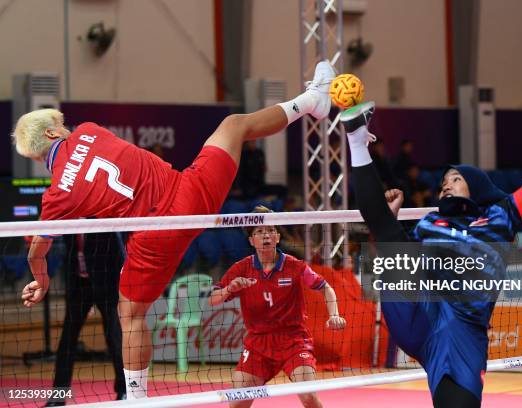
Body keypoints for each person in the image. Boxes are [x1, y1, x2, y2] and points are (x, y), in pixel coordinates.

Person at [13, 60, 336, 400]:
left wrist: (42, 279)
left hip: (152, 236)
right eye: (61, 126)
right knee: (234, 126)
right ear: (52, 133)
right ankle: (312, 100)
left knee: (131, 314)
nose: (67, 128)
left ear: (36, 156)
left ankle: (136, 401)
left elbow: (38, 248)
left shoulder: (55, 196)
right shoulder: (90, 129)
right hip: (189, 195)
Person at [339, 82, 522, 408]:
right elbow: (400, 259)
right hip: (421, 311)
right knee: (387, 232)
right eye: (443, 183)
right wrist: (388, 225)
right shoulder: (430, 222)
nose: (445, 186)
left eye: (454, 180)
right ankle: (357, 139)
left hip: (464, 329)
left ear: (474, 185)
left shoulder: (501, 217)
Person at [209, 206, 346, 408]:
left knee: (308, 396)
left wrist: (334, 315)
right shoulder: (241, 268)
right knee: (237, 403)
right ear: (251, 240)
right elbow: (213, 299)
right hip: (258, 344)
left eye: (271, 230)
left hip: (293, 340)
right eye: (259, 232)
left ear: (278, 237)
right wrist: (230, 288)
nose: (266, 235)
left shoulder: (294, 266)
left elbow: (326, 288)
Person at [45, 233, 125, 407]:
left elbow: (119, 252)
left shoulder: (103, 216)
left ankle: (124, 391)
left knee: (114, 337)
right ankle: (57, 397)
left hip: (105, 283)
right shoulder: (69, 218)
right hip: (79, 287)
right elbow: (69, 254)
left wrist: (120, 286)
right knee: (67, 341)